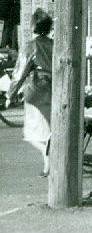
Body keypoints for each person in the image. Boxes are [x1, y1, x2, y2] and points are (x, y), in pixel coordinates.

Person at [8, 9, 53, 177]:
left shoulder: (30, 46)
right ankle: (49, 160)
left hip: (36, 91)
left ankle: (48, 158)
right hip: (53, 89)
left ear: (33, 26)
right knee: (48, 130)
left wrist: (10, 94)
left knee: (31, 133)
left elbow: (20, 72)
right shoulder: (54, 44)